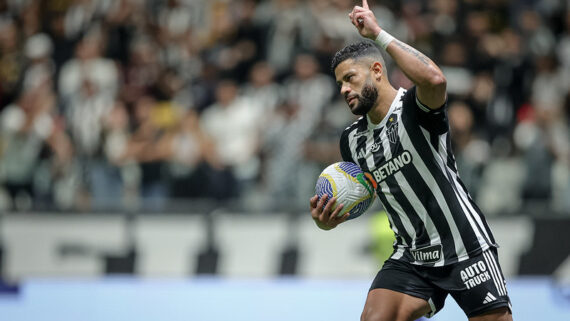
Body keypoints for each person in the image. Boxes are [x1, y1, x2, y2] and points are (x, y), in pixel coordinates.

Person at [309, 1, 513, 321]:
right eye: (340, 84)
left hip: (464, 246)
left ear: (377, 70)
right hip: (412, 256)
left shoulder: (414, 108)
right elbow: (364, 193)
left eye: (350, 78)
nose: (345, 90)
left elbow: (434, 80)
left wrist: (378, 35)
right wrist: (330, 219)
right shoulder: (351, 141)